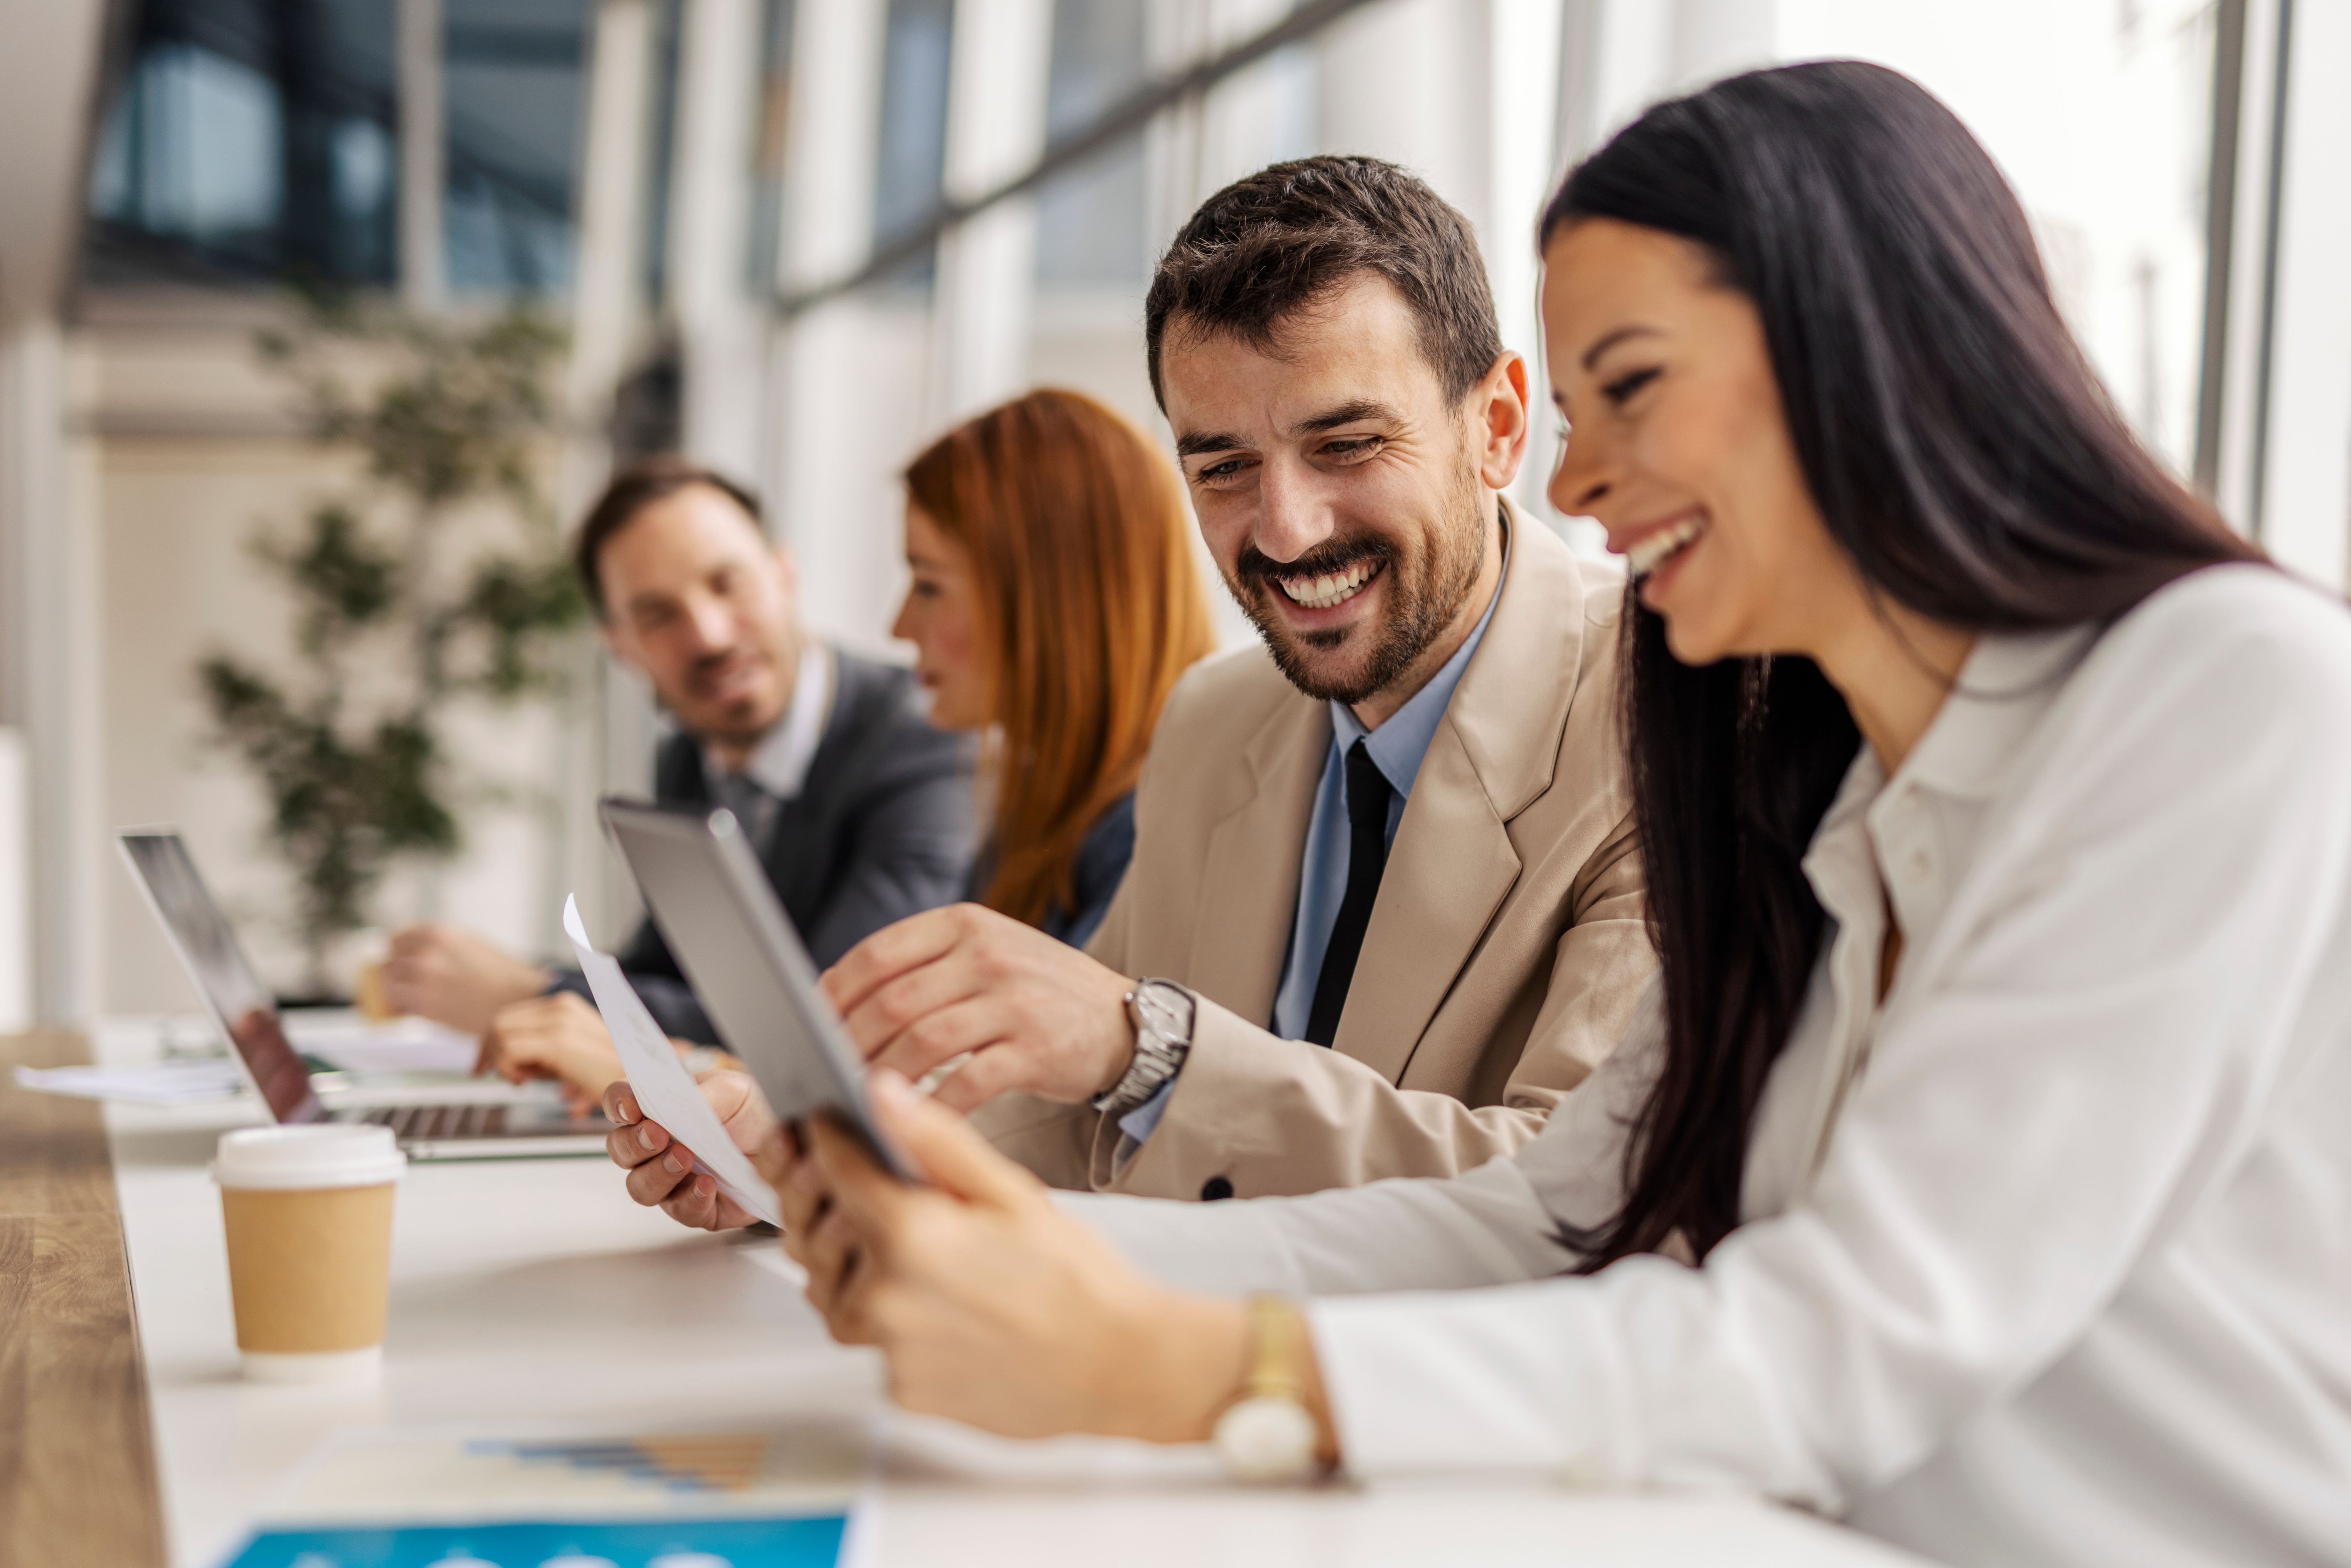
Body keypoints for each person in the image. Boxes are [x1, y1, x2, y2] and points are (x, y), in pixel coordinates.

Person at [607, 63, 2351, 1568]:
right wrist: (998, 1237)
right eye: (1580, 417)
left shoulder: (2224, 686)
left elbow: (1843, 1342)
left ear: (1866, 351)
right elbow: (1557, 1215)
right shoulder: (1819, 770)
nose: (1577, 487)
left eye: (1631, 392)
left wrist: (1176, 1368)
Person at [731, 155, 1655, 1210]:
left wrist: (1154, 1054)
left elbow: (1583, 1192)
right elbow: (1072, 1101)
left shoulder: (1667, 716)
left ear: (1494, 428)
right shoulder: (1215, 724)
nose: (1283, 528)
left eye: (1345, 444)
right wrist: (815, 1150)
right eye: (1221, 468)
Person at [377, 458, 975, 1072]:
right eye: (658, 615)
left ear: (784, 573)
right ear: (618, 644)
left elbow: (823, 1026)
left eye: (727, 583)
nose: (710, 636)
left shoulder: (928, 743)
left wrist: (525, 995)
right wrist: (512, 986)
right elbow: (670, 975)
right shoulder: (689, 755)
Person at [895, 388, 1215, 950]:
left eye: (928, 586)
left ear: (1049, 603)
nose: (897, 626)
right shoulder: (1048, 808)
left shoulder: (1150, 843)